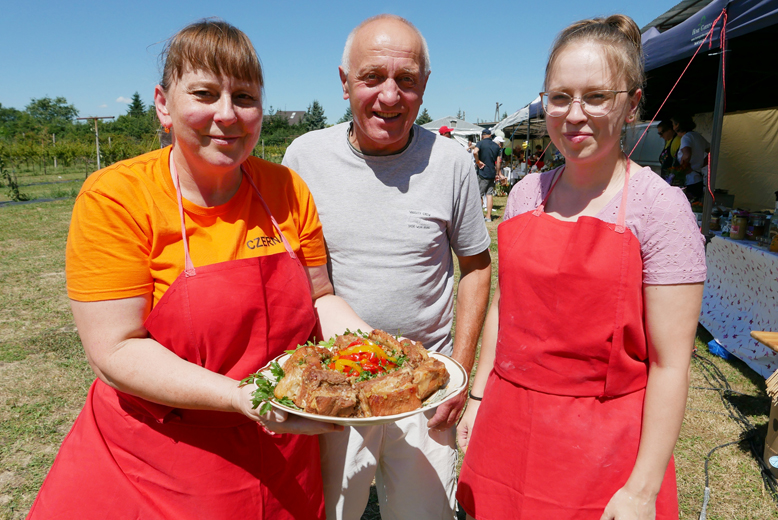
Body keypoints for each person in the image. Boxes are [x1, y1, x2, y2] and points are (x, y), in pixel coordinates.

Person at [28, 20, 372, 520]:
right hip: (160, 460)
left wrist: (372, 350)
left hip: (281, 453)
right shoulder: (117, 198)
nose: (227, 115)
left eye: (245, 97)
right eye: (205, 94)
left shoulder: (286, 189)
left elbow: (320, 297)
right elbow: (116, 350)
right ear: (164, 104)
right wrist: (244, 398)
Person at [457, 14, 706, 520]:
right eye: (560, 96)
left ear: (633, 104)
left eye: (596, 96)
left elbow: (670, 363)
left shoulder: (660, 209)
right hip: (509, 426)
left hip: (603, 445)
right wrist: (480, 396)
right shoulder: (527, 194)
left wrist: (642, 489)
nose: (574, 114)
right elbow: (506, 305)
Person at [282, 14, 492, 520]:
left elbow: (477, 268)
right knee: (331, 512)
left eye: (407, 80)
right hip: (337, 385)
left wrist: (457, 372)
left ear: (424, 86)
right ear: (344, 81)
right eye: (372, 77)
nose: (390, 96)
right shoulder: (305, 157)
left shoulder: (452, 162)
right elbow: (294, 273)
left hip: (427, 383)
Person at [672, 114, 710, 202]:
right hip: (698, 178)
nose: (673, 126)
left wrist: (682, 170)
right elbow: (712, 152)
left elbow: (687, 155)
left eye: (673, 124)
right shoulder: (697, 136)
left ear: (678, 125)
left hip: (689, 180)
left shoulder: (686, 137)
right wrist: (701, 164)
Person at [473, 128, 502, 221]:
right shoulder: (496, 146)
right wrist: (497, 173)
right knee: (489, 195)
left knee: (479, 194)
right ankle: (489, 216)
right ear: (490, 135)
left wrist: (478, 161)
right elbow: (498, 162)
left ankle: (479, 217)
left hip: (482, 172)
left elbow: (475, 152)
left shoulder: (480, 143)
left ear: (482, 136)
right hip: (492, 173)